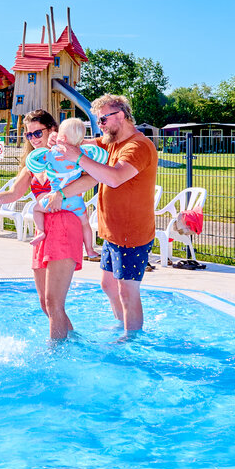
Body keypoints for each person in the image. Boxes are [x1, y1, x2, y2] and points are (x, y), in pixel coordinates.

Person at [52, 94, 159, 332]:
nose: (99, 125)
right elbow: (88, 143)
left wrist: (77, 157)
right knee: (108, 286)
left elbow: (115, 178)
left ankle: (132, 339)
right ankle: (124, 326)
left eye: (102, 120)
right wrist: (63, 142)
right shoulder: (112, 141)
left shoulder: (137, 147)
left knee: (127, 291)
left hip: (132, 234)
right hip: (112, 233)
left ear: (120, 116)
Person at [0, 110, 81, 339]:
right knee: (46, 304)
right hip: (42, 229)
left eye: (38, 132)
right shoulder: (32, 165)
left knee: (54, 302)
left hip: (64, 224)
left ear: (53, 130)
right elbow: (15, 193)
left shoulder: (67, 156)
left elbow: (90, 164)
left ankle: (56, 355)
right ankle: (74, 343)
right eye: (28, 135)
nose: (33, 139)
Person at [26, 117, 105, 259]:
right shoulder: (82, 153)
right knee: (85, 223)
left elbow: (34, 162)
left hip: (53, 199)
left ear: (60, 136)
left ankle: (40, 231)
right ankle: (90, 250)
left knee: (36, 209)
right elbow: (101, 156)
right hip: (76, 201)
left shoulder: (52, 153)